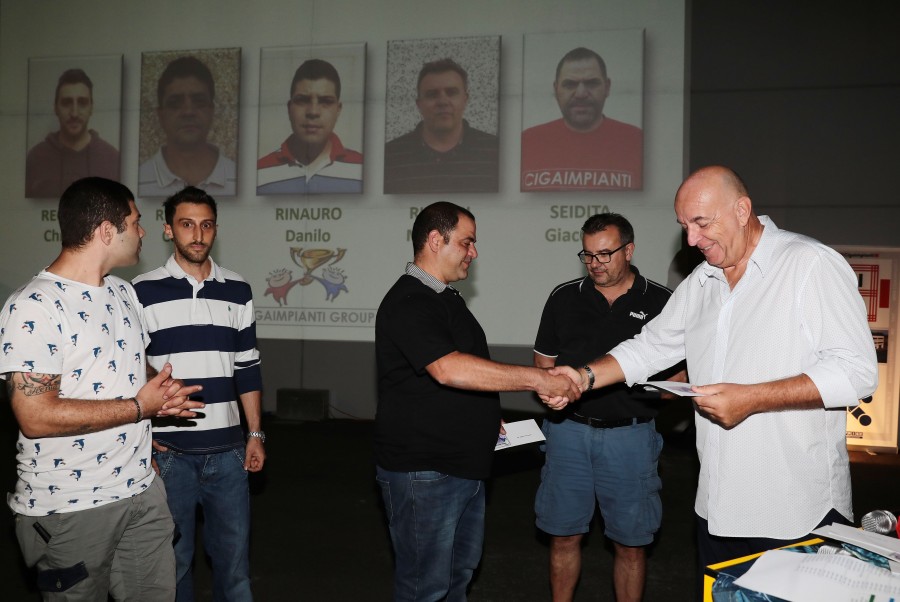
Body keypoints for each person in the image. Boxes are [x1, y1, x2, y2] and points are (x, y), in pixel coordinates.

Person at [547, 166, 878, 593]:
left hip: (794, 508)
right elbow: (649, 347)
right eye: (684, 226)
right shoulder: (701, 282)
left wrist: (752, 398)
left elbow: (856, 372)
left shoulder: (809, 264)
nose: (691, 240)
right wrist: (583, 376)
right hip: (718, 507)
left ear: (742, 210)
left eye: (701, 223)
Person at [0, 176, 203, 599]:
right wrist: (139, 408)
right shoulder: (32, 307)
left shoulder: (123, 292)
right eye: (136, 222)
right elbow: (35, 416)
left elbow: (133, 368)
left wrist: (161, 392)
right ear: (107, 231)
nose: (143, 232)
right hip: (70, 505)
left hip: (141, 489)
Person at [375, 201, 581, 601]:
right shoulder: (409, 300)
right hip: (425, 473)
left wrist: (486, 416)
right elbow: (447, 369)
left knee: (456, 580)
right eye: (466, 242)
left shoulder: (445, 299)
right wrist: (539, 378)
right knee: (424, 588)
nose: (474, 252)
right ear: (435, 240)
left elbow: (460, 379)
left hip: (462, 467)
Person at [533, 213, 682, 602]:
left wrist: (651, 391)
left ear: (628, 250)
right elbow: (544, 363)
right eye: (588, 255)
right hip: (568, 432)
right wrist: (551, 389)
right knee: (563, 536)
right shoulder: (564, 297)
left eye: (605, 254)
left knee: (631, 544)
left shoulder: (662, 301)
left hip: (630, 436)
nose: (595, 263)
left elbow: (681, 377)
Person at [133, 186, 263, 601]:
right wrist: (144, 439)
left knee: (235, 568)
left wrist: (255, 433)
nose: (198, 234)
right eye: (187, 224)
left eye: (206, 225)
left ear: (215, 230)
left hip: (228, 454)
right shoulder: (140, 290)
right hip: (169, 455)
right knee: (173, 566)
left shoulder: (238, 289)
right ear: (168, 230)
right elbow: (131, 372)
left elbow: (247, 366)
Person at [521, 47, 642, 192]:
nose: (581, 93)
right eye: (570, 84)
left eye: (592, 83)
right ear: (555, 89)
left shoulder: (637, 140)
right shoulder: (527, 142)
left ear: (607, 87)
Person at [384, 58, 499, 194]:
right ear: (419, 104)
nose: (443, 101)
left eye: (451, 92)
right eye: (432, 95)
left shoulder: (497, 151)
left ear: (465, 99)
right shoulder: (389, 156)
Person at [257, 58, 363, 194]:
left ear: (338, 110)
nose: (313, 112)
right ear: (289, 108)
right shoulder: (258, 172)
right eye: (302, 100)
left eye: (326, 101)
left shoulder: (363, 169)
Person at [139, 56, 236, 197]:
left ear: (212, 110)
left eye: (199, 101)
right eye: (175, 103)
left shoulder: (238, 177)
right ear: (160, 114)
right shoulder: (140, 179)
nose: (188, 112)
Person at [25, 68, 120, 198]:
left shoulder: (112, 159)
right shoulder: (35, 158)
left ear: (91, 107)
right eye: (66, 103)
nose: (74, 113)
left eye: (82, 103)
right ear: (55, 108)